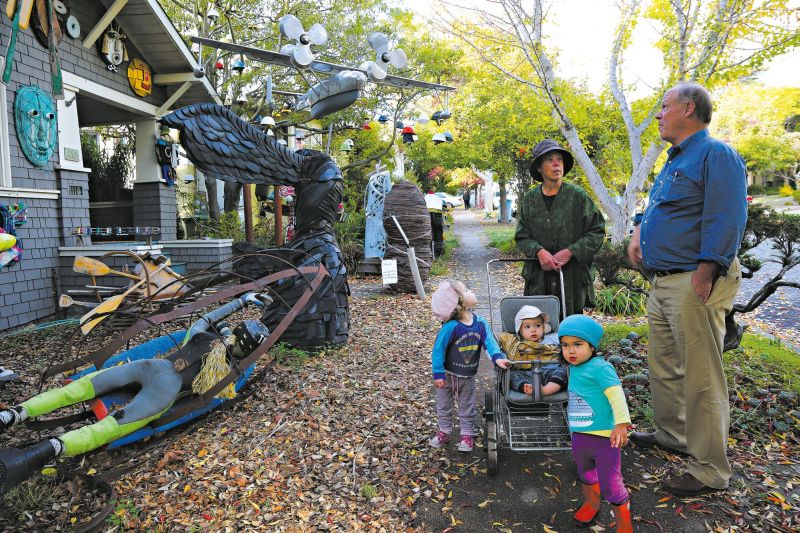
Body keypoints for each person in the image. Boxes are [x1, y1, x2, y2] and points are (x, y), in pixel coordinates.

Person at [0, 294, 270, 495]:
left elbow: (206, 318)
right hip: (163, 394)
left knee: (75, 390)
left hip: (150, 367)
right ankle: (45, 451)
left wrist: (241, 301)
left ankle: (13, 414)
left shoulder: (201, 337)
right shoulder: (230, 373)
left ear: (236, 332)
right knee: (106, 429)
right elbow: (204, 400)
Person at [626, 82, 747, 497]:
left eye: (664, 107)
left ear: (688, 109)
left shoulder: (717, 154)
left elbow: (727, 215)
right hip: (664, 283)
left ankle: (710, 470)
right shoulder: (676, 158)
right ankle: (672, 436)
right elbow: (657, 205)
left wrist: (707, 269)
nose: (659, 115)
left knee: (701, 378)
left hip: (696, 281)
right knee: (665, 368)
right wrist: (639, 230)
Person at [515, 139, 605, 316]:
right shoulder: (530, 200)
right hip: (539, 279)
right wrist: (539, 252)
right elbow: (522, 236)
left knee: (570, 331)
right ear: (539, 167)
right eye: (549, 159)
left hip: (571, 278)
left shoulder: (578, 197)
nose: (556, 163)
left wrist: (572, 251)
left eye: (559, 159)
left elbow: (597, 231)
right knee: (539, 328)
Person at [559, 314, 632, 532]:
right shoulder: (574, 368)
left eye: (578, 344)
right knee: (586, 472)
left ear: (592, 347)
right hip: (580, 436)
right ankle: (591, 503)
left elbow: (616, 395)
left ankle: (624, 523)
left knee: (611, 483)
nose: (571, 351)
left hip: (604, 438)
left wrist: (621, 425)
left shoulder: (601, 368)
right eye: (565, 345)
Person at [429, 280, 510, 452]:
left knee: (467, 405)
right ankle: (444, 431)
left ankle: (466, 434)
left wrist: (497, 358)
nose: (471, 291)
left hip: (467, 376)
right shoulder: (451, 327)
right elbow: (438, 350)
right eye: (466, 290)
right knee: (444, 405)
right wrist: (438, 374)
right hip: (447, 375)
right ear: (459, 303)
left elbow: (490, 342)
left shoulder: (480, 323)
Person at [496, 305, 566, 398]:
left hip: (550, 372)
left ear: (543, 328)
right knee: (512, 376)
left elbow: (568, 340)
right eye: (527, 327)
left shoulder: (553, 338)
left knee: (563, 372)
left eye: (538, 325)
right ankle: (525, 387)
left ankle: (545, 391)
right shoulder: (514, 341)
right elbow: (497, 339)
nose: (533, 330)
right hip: (526, 374)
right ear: (520, 330)